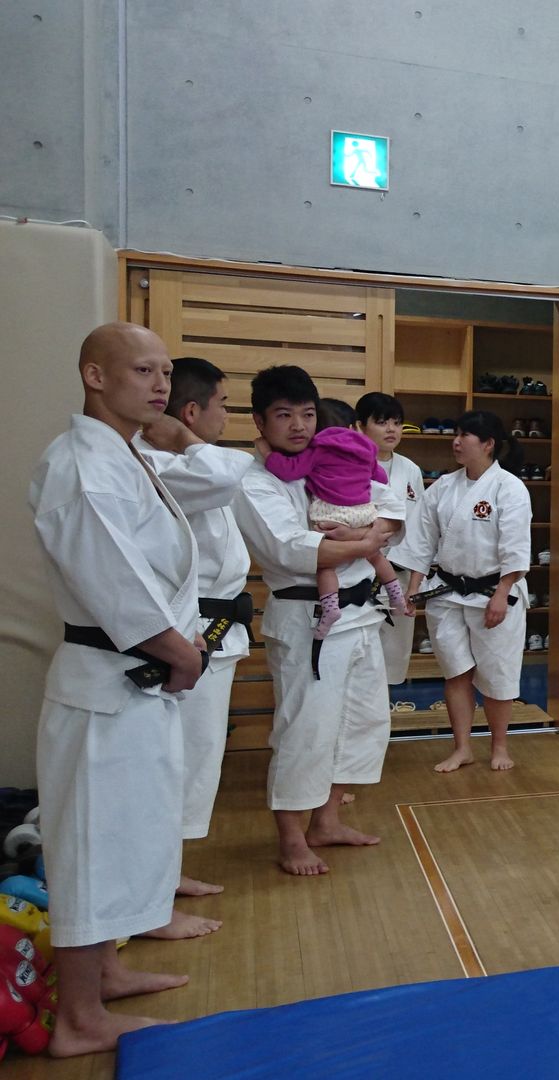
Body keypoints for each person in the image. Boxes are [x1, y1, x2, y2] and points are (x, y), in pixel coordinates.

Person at [29, 323, 207, 1054]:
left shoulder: (126, 455)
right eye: (142, 370)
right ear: (94, 375)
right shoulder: (79, 464)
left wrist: (182, 647)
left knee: (128, 832)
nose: (160, 384)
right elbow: (113, 581)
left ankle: (104, 971)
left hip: (136, 681)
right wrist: (182, 654)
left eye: (165, 371)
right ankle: (78, 1019)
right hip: (107, 681)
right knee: (92, 845)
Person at [231, 365, 401, 875]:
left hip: (361, 613)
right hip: (308, 619)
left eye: (307, 414)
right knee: (306, 730)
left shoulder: (325, 456)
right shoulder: (254, 481)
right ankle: (290, 838)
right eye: (284, 415)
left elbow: (387, 511)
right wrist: (367, 540)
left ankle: (326, 821)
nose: (299, 425)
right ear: (260, 420)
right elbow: (296, 549)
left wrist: (365, 535)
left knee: (363, 721)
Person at [134, 356, 254, 938]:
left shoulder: (183, 463)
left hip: (214, 629)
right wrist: (182, 438)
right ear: (190, 412)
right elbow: (230, 475)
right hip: (189, 632)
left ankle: (166, 876)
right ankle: (150, 901)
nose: (226, 416)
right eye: (222, 405)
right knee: (173, 766)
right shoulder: (160, 463)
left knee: (196, 761)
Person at [396, 411, 533, 772]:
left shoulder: (509, 487)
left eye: (465, 436)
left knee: (497, 674)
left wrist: (503, 592)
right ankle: (462, 748)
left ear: (487, 444)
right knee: (456, 672)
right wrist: (414, 588)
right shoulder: (443, 486)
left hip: (494, 591)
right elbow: (422, 541)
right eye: (455, 434)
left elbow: (516, 546)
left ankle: (499, 746)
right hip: (446, 592)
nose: (456, 442)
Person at [260, 403, 408, 639]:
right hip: (363, 511)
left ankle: (330, 607)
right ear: (353, 427)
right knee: (376, 556)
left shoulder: (318, 449)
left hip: (332, 514)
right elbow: (380, 479)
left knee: (325, 565)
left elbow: (288, 470)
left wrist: (268, 454)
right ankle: (396, 595)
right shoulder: (366, 448)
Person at [356, 393, 426, 686]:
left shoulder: (410, 469)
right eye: (382, 422)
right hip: (358, 573)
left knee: (393, 660)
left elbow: (419, 531)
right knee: (358, 659)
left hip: (399, 575)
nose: (391, 430)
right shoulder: (348, 464)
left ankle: (384, 712)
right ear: (360, 426)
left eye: (396, 423)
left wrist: (414, 586)